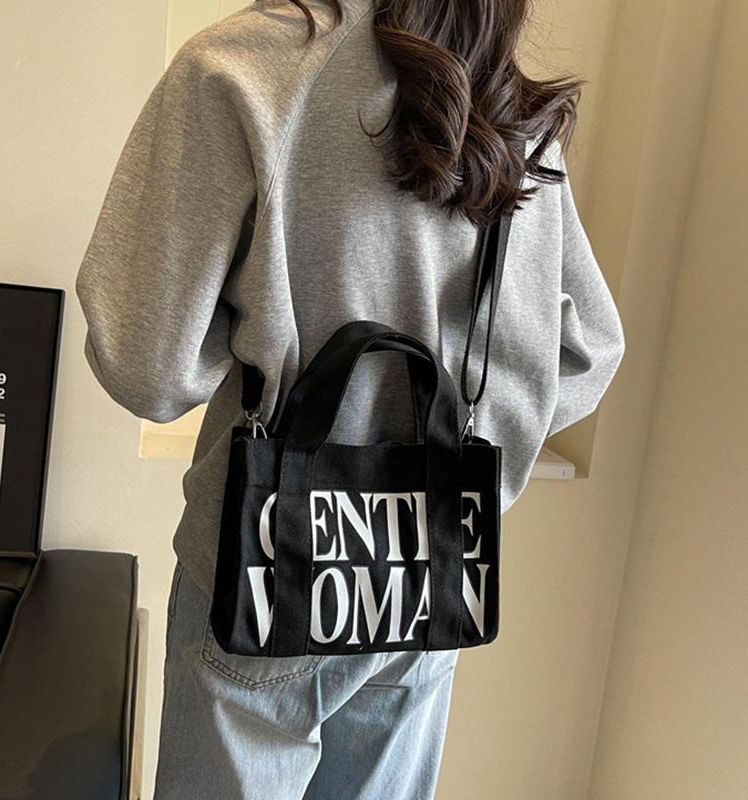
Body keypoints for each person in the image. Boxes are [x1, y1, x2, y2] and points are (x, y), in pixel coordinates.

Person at [75, 0, 626, 797]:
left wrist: (260, 332)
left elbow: (146, 369)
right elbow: (587, 349)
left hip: (264, 562)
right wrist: (466, 431)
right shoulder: (499, 92)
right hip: (423, 570)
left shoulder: (240, 68)